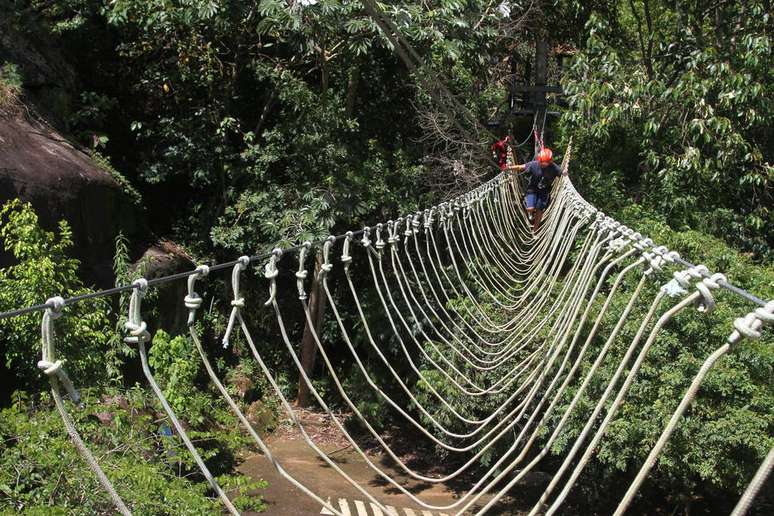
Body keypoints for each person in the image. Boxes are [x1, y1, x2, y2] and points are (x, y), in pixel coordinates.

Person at [508, 147, 565, 231]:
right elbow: (521, 167)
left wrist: (565, 173)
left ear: (549, 162)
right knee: (530, 208)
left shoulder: (554, 168)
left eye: (544, 162)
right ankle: (530, 210)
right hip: (532, 189)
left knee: (539, 210)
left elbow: (562, 173)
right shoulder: (534, 164)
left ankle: (535, 229)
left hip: (544, 191)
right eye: (541, 161)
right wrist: (509, 168)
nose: (542, 164)